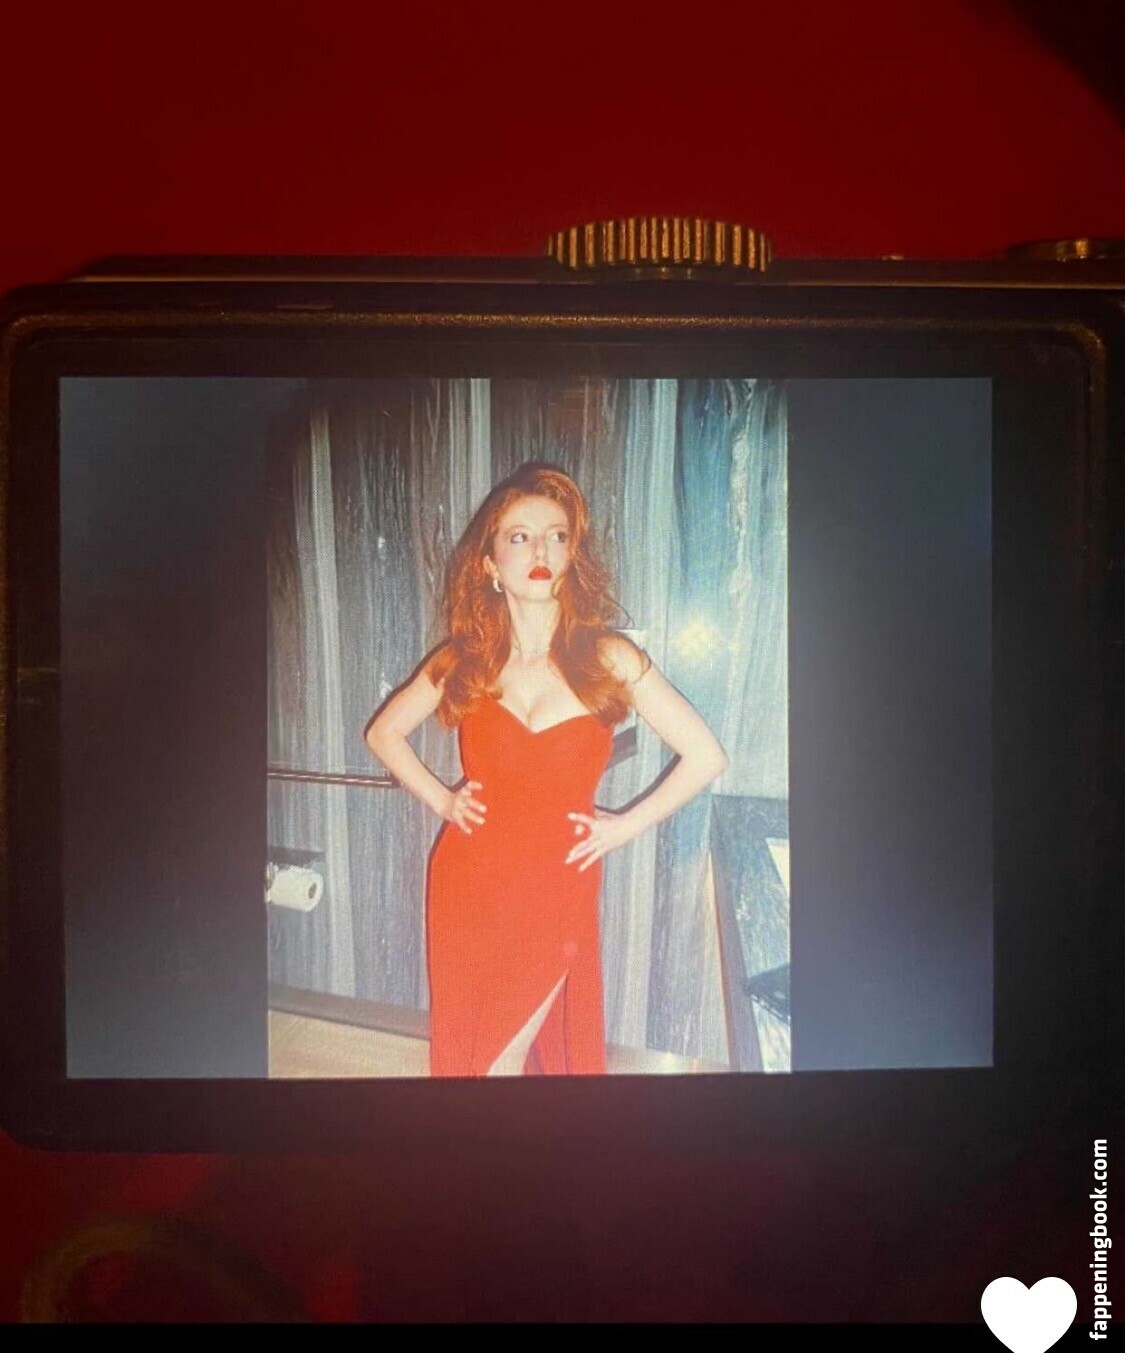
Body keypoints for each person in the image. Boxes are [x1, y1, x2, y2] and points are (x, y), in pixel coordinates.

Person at [364, 463, 728, 1076]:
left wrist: (623, 826)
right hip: (469, 879)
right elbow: (383, 733)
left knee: (500, 1061)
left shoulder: (610, 657)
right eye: (520, 536)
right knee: (474, 1055)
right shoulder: (466, 659)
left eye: (557, 536)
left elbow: (706, 756)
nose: (540, 551)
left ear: (571, 556)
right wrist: (444, 800)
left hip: (556, 884)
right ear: (490, 564)